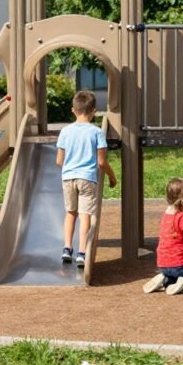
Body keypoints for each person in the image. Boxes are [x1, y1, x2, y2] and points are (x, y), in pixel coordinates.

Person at [56, 90, 117, 268]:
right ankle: (82, 252)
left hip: (68, 178)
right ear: (93, 112)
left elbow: (59, 160)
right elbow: (102, 162)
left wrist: (69, 168)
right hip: (87, 179)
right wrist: (112, 177)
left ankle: (67, 248)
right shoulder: (96, 132)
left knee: (70, 213)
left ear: (73, 110)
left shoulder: (65, 131)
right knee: (85, 215)